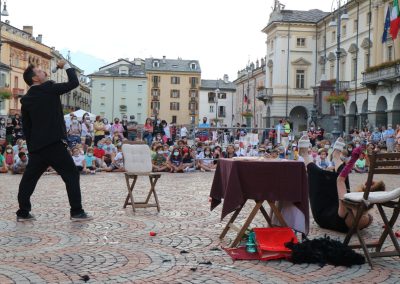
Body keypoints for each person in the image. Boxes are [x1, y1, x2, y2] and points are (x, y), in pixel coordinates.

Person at [17, 61, 92, 222]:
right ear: (35, 79)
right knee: (71, 174)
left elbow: (27, 128)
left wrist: (33, 148)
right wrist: (65, 65)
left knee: (29, 179)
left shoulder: (27, 99)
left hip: (37, 146)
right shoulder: (49, 89)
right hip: (54, 144)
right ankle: (77, 212)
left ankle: (23, 212)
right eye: (40, 71)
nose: (44, 72)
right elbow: (74, 82)